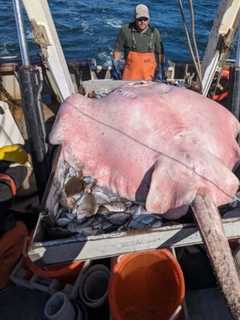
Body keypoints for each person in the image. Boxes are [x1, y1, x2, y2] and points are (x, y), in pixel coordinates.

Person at [112, 3, 165, 81]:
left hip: (149, 78)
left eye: (145, 19)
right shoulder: (125, 30)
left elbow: (160, 54)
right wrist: (116, 70)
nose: (143, 22)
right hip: (129, 78)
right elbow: (117, 52)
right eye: (140, 19)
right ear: (135, 18)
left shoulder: (155, 32)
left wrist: (160, 73)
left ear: (149, 19)